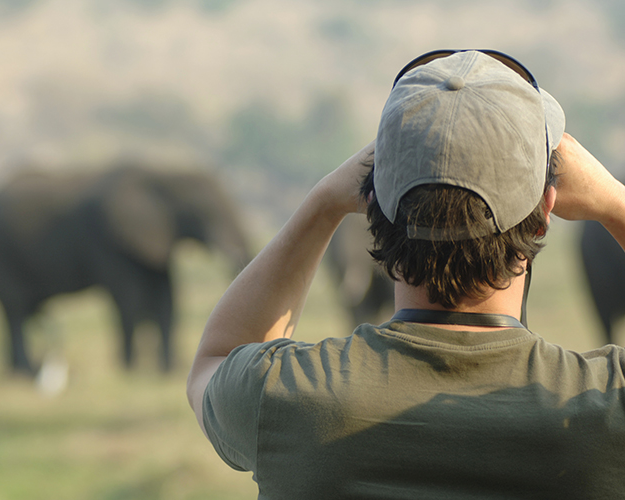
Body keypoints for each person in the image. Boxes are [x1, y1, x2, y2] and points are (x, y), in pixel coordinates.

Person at [186, 50, 625, 498]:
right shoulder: (603, 405)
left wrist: (323, 204)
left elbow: (215, 360)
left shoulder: (285, 395)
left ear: (374, 207)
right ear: (545, 212)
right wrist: (614, 201)